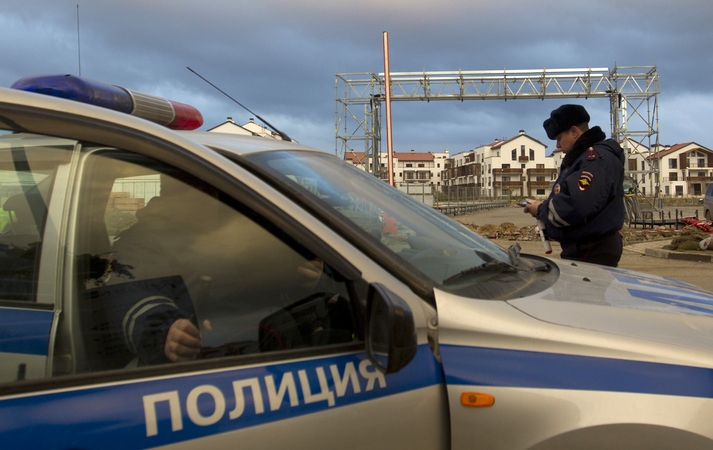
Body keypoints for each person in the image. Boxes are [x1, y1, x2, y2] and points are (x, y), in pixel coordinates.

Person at [523, 104, 625, 267]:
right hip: (587, 248)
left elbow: (575, 206)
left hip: (590, 249)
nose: (557, 145)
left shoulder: (593, 161)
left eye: (558, 139)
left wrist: (540, 210)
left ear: (574, 132)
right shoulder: (586, 159)